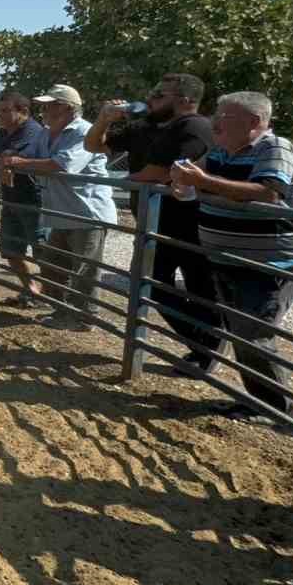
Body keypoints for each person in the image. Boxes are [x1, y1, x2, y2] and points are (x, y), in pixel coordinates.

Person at [171, 91, 293, 418]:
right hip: (227, 258)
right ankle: (259, 402)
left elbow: (267, 193)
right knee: (242, 332)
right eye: (217, 114)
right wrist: (184, 184)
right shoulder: (221, 149)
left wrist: (201, 180)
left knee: (252, 334)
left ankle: (272, 407)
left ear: (254, 122)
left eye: (225, 116)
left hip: (270, 263)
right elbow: (193, 182)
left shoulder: (275, 147)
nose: (216, 121)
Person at [86, 73, 219, 373]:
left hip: (190, 224)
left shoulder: (194, 127)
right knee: (153, 283)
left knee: (199, 289)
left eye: (160, 95)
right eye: (153, 93)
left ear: (185, 100)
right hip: (153, 221)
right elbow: (94, 145)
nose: (151, 98)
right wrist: (104, 119)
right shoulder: (146, 126)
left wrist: (119, 180)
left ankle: (207, 349)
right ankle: (204, 346)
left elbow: (158, 174)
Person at [2, 85, 117, 331]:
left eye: (50, 105)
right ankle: (63, 311)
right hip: (62, 211)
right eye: (45, 105)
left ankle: (85, 318)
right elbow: (29, 155)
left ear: (67, 107)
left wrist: (19, 162)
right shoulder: (47, 133)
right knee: (53, 265)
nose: (44, 110)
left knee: (84, 269)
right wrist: (13, 154)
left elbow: (63, 165)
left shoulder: (83, 132)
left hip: (87, 211)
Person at [0, 90, 49, 307]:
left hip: (33, 199)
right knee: (10, 250)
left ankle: (52, 294)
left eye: (6, 111)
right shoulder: (2, 133)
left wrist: (5, 159)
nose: (0, 116)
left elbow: (20, 156)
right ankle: (32, 290)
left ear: (23, 111)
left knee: (42, 251)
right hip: (11, 198)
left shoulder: (33, 131)